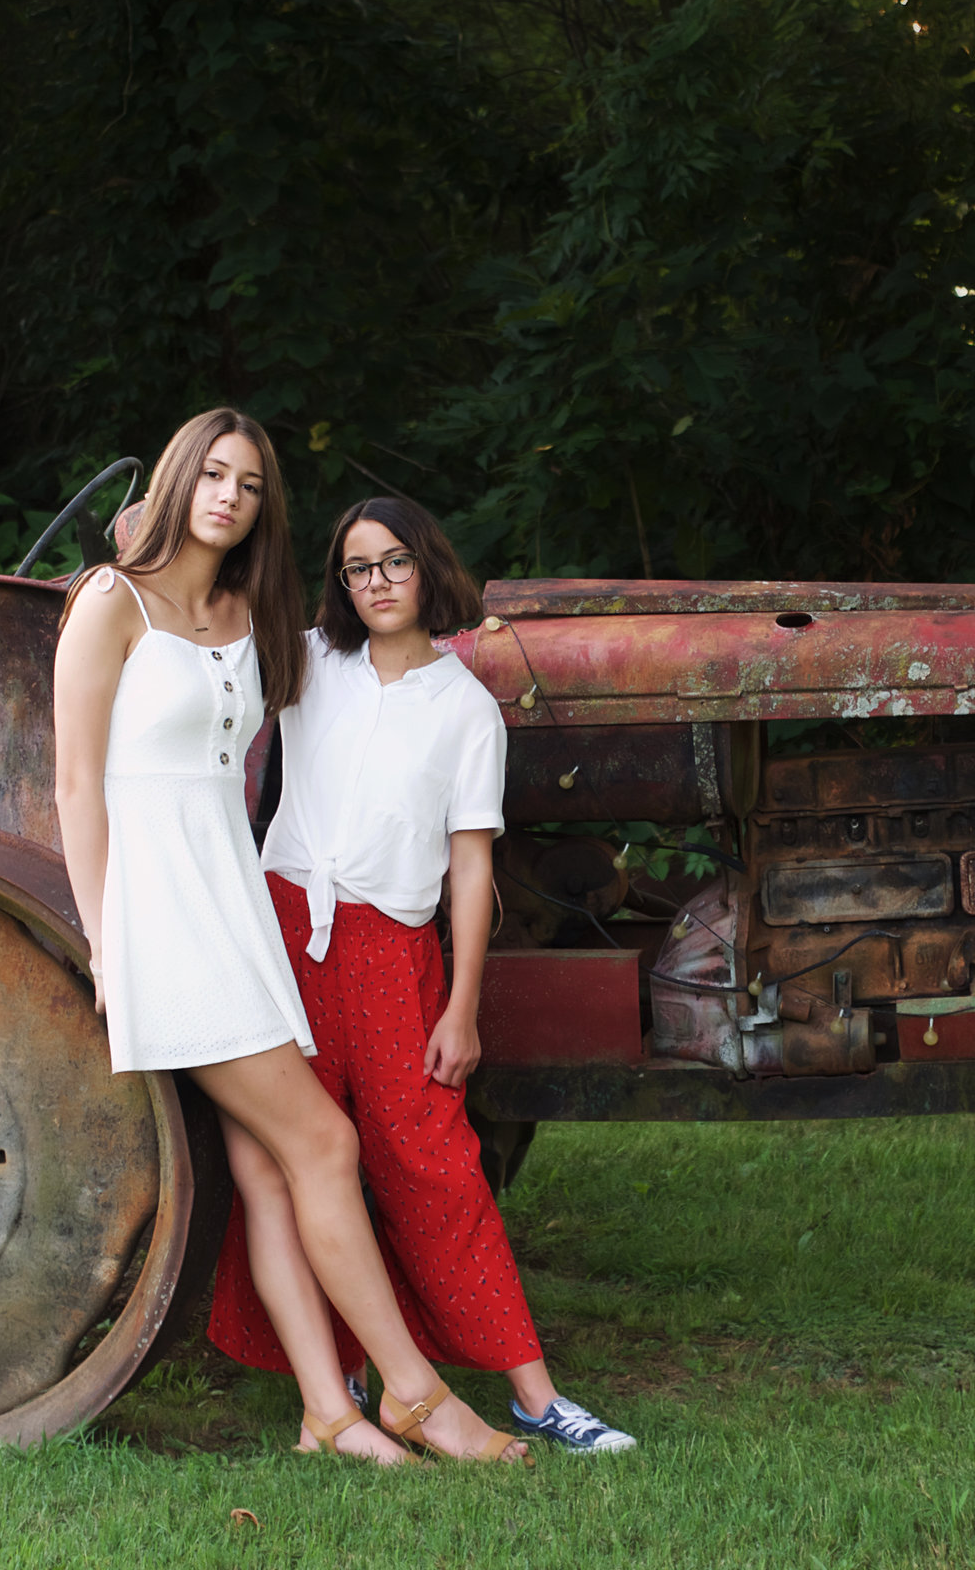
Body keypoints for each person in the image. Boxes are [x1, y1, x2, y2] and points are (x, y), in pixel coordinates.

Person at [54, 414, 523, 1466]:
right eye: (210, 474)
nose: (227, 495)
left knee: (271, 1168)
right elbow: (78, 784)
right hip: (162, 913)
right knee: (325, 1144)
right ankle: (412, 1392)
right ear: (178, 478)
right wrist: (103, 944)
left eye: (250, 484)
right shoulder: (109, 602)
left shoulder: (245, 609)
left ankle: (326, 1410)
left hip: (240, 899)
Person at [206, 494, 637, 1456]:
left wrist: (462, 1005)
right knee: (297, 1162)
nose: (378, 584)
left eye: (394, 563)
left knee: (433, 1169)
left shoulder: (467, 711)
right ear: (341, 585)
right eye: (358, 569)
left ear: (427, 568)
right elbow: (219, 603)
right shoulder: (312, 664)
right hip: (284, 941)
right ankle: (339, 1387)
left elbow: (472, 867)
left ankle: (535, 1397)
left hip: (394, 958)